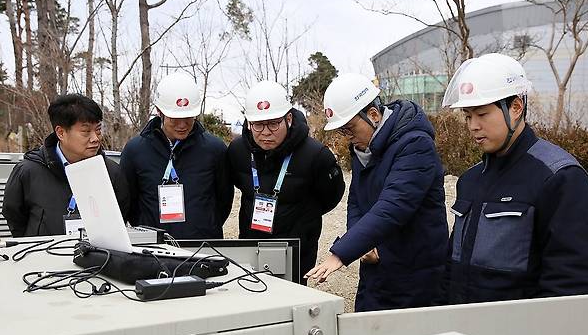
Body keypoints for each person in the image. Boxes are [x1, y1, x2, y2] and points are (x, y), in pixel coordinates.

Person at [437, 53, 588, 304]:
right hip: (464, 328)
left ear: (515, 108)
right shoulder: (470, 180)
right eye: (468, 116)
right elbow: (454, 264)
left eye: (482, 114)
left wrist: (533, 334)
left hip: (520, 334)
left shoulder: (559, 177)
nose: (473, 125)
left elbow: (571, 279)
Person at [305, 73, 448, 311]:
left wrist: (341, 253)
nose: (348, 139)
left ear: (373, 115)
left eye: (350, 129)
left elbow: (394, 205)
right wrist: (363, 245)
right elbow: (357, 202)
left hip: (416, 272)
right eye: (342, 133)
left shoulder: (415, 144)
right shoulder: (364, 148)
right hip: (377, 269)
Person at [227, 80, 345, 277]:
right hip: (250, 242)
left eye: (273, 124)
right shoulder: (237, 150)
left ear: (288, 118)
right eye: (257, 125)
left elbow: (330, 197)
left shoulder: (316, 155)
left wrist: (302, 218)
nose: (265, 132)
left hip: (297, 248)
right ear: (248, 123)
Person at [119, 72, 233, 239]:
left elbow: (224, 200)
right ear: (159, 112)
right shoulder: (135, 150)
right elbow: (130, 203)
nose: (182, 125)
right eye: (175, 118)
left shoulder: (214, 149)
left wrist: (206, 226)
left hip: (203, 247)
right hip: (154, 250)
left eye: (188, 118)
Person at [2, 94, 129, 237]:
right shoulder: (28, 171)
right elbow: (13, 214)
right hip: (41, 255)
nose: (95, 138)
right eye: (86, 132)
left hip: (96, 257)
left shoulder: (112, 173)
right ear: (61, 133)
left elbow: (120, 217)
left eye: (98, 130)